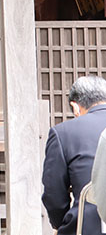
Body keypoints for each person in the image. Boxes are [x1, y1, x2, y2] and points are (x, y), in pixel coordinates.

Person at [42, 75, 106, 235]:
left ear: (75, 107)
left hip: (86, 226)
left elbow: (54, 194)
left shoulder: (63, 133)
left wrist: (60, 224)